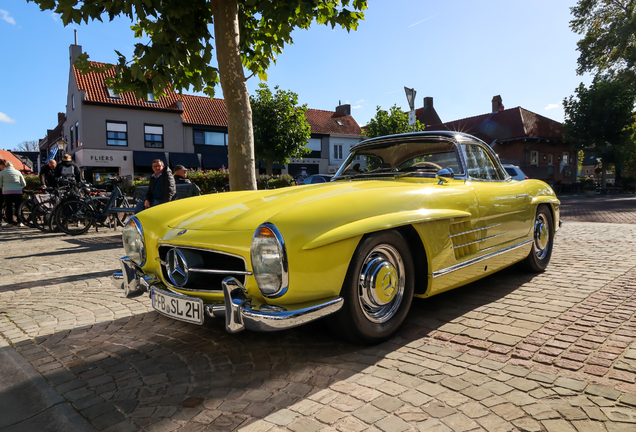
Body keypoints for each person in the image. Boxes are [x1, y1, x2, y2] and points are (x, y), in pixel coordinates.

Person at [0, 160, 27, 227]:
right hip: (17, 192)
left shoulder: (2, 173)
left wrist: (4, 187)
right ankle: (20, 222)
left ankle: (10, 222)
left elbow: (0, 184)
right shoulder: (18, 172)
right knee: (18, 207)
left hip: (7, 192)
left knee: (9, 207)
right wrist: (19, 187)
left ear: (6, 166)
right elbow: (24, 184)